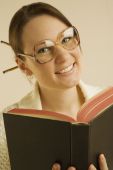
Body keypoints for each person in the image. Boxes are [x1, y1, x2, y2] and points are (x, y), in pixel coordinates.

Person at [0, 2, 109, 170]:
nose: (64, 56)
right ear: (23, 65)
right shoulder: (4, 133)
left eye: (66, 39)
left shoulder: (108, 107)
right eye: (43, 50)